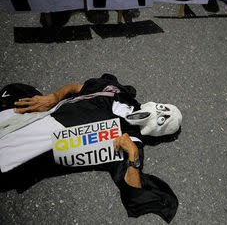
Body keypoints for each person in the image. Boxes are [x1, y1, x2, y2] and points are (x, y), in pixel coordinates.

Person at [0, 74, 182, 222]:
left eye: (163, 120)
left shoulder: (130, 142)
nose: (158, 112)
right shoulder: (117, 93)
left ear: (159, 132)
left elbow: (133, 193)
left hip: (33, 145)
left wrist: (133, 156)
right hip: (37, 115)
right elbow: (76, 88)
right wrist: (53, 97)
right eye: (162, 108)